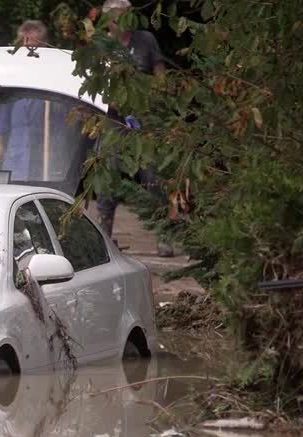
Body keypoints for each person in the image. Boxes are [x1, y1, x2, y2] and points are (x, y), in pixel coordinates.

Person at [96, 0, 175, 257]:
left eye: (128, 15)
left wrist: (159, 96)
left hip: (143, 118)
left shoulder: (145, 40)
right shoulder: (100, 44)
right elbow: (90, 80)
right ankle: (103, 235)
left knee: (153, 176)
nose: (124, 21)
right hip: (112, 119)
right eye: (119, 17)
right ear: (109, 20)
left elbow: (160, 72)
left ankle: (164, 234)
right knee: (108, 175)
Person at [0, 21, 67, 182]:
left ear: (45, 46)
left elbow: (63, 119)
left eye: (34, 47)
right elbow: (4, 111)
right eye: (25, 46)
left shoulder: (54, 74)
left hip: (44, 150)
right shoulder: (13, 75)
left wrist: (57, 148)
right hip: (16, 150)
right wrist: (0, 143)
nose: (29, 51)